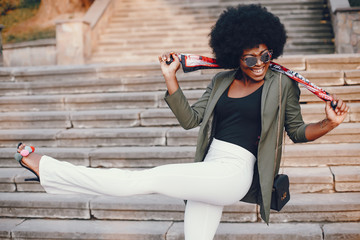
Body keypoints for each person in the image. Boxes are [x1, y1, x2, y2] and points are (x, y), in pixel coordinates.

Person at [15, 4, 348, 240]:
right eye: (249, 57)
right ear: (235, 56)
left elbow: (297, 132)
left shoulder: (282, 84)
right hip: (210, 166)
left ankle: (48, 169)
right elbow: (191, 120)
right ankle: (51, 173)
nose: (259, 63)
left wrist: (329, 123)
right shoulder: (220, 82)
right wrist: (170, 77)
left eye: (265, 55)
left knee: (141, 180)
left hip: (234, 173)